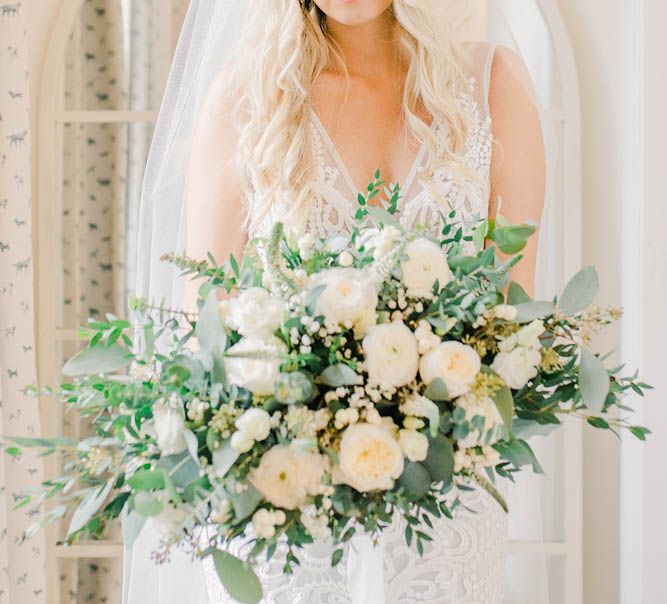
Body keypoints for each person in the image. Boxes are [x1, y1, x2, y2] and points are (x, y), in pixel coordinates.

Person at [131, 1, 547, 602]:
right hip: (284, 500)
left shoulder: (491, 89)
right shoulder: (247, 101)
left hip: (444, 500)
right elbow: (210, 335)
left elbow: (512, 323)